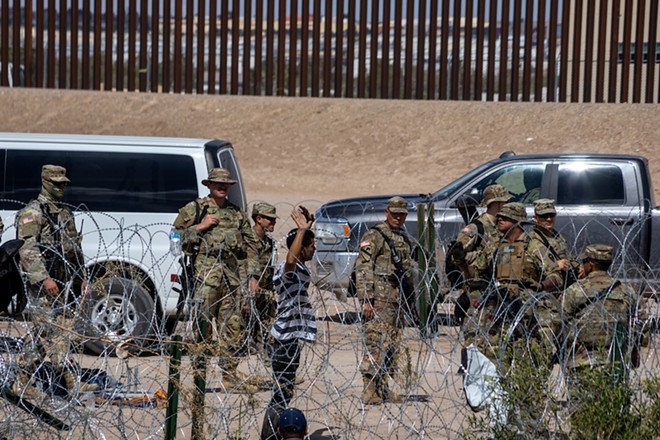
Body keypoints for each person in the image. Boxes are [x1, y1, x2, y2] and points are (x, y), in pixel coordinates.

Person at [14, 164, 98, 397]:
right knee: (56, 332)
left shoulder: (64, 213)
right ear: (45, 182)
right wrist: (44, 279)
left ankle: (21, 381)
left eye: (64, 184)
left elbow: (73, 248)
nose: (61, 188)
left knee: (45, 333)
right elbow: (27, 249)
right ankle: (71, 381)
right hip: (42, 284)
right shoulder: (33, 213)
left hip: (63, 281)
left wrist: (81, 275)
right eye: (56, 184)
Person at [172, 167, 259, 392]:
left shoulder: (236, 214)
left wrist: (253, 275)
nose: (222, 187)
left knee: (233, 328)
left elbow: (251, 246)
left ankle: (229, 376)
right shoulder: (196, 209)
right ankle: (199, 377)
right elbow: (174, 238)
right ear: (209, 185)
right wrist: (200, 227)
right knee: (202, 330)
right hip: (205, 279)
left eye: (226, 184)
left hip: (231, 281)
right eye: (217, 184)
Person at [261, 206, 316, 440]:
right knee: (281, 393)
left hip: (290, 338)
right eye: (311, 244)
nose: (315, 248)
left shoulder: (299, 268)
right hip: (285, 339)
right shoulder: (288, 269)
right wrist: (303, 230)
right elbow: (291, 257)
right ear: (303, 247)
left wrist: (306, 230)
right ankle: (269, 436)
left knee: (283, 390)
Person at [354, 196, 413, 405]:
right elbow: (362, 268)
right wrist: (366, 299)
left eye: (401, 214)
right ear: (386, 212)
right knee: (375, 344)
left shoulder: (403, 238)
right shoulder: (375, 235)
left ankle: (382, 388)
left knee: (391, 347)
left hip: (396, 301)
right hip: (378, 300)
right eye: (394, 213)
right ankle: (369, 390)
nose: (398, 218)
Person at [450, 184, 512, 324]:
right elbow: (458, 257)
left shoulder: (500, 227)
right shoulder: (476, 228)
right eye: (506, 202)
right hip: (477, 290)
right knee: (475, 334)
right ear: (497, 203)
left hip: (496, 287)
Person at [248, 202, 279, 355]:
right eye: (270, 219)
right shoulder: (247, 239)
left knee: (265, 332)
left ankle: (267, 365)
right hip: (248, 292)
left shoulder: (269, 242)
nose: (274, 223)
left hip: (265, 293)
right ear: (259, 219)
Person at [529, 199, 580, 288]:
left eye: (551, 215)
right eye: (544, 216)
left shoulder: (556, 236)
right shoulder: (534, 239)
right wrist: (556, 265)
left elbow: (566, 255)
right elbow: (538, 264)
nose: (549, 219)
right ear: (535, 218)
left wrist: (577, 266)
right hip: (548, 285)